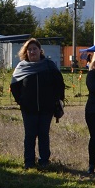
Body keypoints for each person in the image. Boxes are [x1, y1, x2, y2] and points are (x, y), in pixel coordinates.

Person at [10, 38, 66, 169]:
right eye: (29, 49)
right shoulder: (21, 67)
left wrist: (56, 100)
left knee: (43, 135)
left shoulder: (49, 66)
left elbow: (59, 84)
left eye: (34, 49)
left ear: (40, 51)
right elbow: (14, 86)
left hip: (47, 108)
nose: (32, 51)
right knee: (29, 135)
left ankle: (44, 161)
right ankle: (29, 162)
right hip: (28, 109)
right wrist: (21, 101)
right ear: (26, 52)